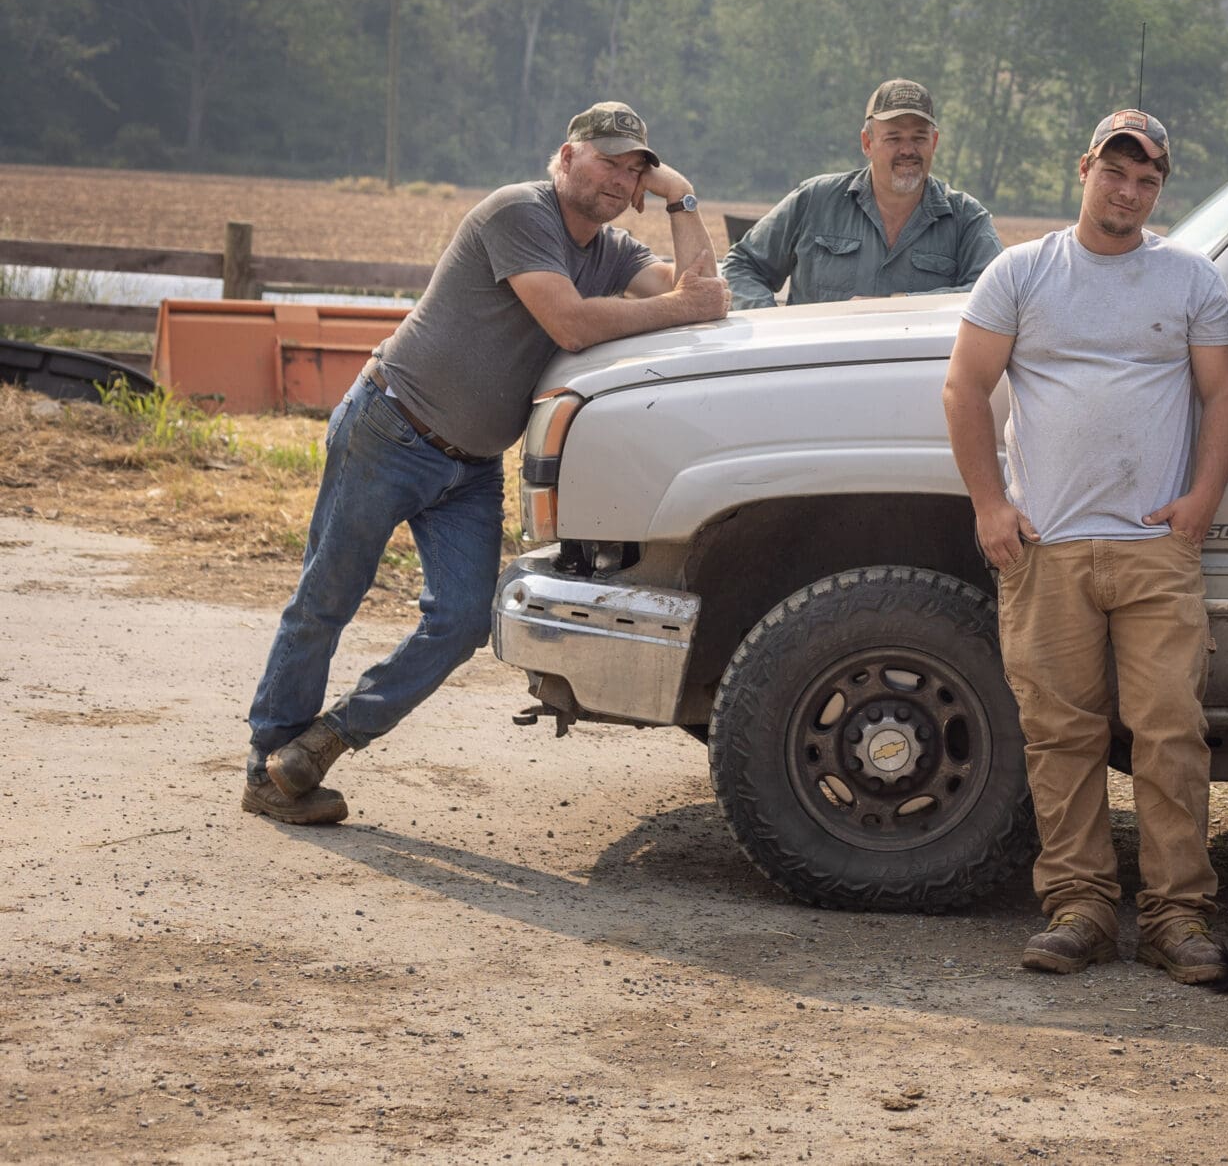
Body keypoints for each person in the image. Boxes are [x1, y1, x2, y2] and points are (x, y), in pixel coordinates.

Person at [244, 102, 730, 824]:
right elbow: (570, 319)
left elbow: (707, 296)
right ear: (565, 157)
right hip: (390, 426)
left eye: (635, 168)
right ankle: (267, 765)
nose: (620, 176)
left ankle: (321, 743)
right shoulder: (517, 214)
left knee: (467, 619)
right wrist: (679, 309)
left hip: (470, 465)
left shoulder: (614, 249)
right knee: (328, 595)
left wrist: (681, 198)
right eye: (608, 159)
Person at [941, 108, 1228, 984]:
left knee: (1171, 732)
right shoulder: (1021, 273)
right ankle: (1078, 907)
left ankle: (1177, 916)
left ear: (1159, 189)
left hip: (1156, 547)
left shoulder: (1188, 277)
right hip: (1047, 545)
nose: (1129, 190)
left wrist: (1200, 505)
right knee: (1061, 736)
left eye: (1147, 179)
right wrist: (990, 507)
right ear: (1085, 169)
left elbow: (1223, 395)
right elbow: (966, 389)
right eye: (1116, 172)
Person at [721, 78, 1000, 307]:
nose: (908, 150)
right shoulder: (815, 200)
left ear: (934, 142)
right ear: (867, 143)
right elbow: (742, 266)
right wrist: (773, 327)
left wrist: (898, 304)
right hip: (816, 368)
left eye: (919, 138)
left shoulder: (966, 217)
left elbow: (997, 292)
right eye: (893, 138)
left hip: (917, 372)